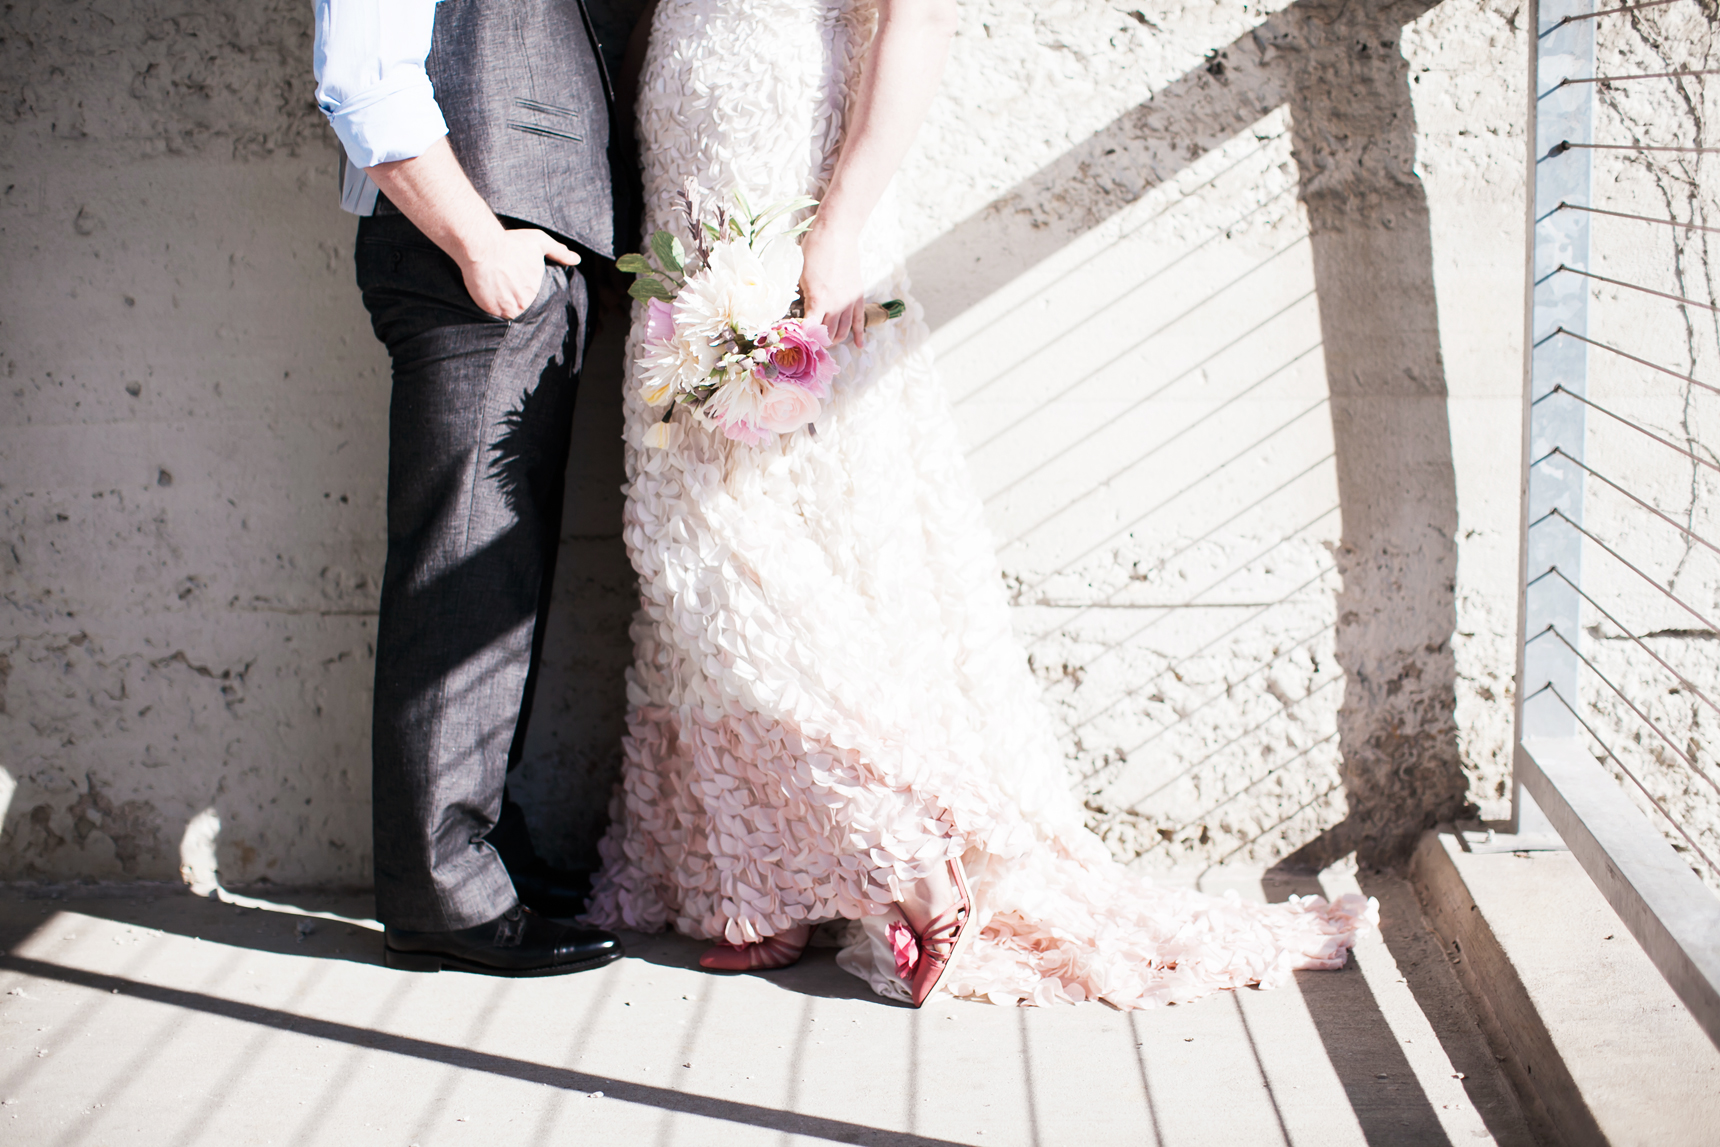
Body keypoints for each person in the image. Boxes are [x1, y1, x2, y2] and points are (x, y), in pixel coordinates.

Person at [585, 0, 1377, 1007]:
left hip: (784, 173)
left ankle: (906, 842)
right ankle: (763, 871)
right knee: (748, 520)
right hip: (692, 183)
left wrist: (836, 232)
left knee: (714, 530)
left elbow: (921, 21)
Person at [312, 0, 624, 977]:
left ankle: (472, 843)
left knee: (497, 573)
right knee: (462, 566)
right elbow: (359, 70)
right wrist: (481, 243)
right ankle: (440, 884)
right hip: (470, 255)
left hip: (508, 254)